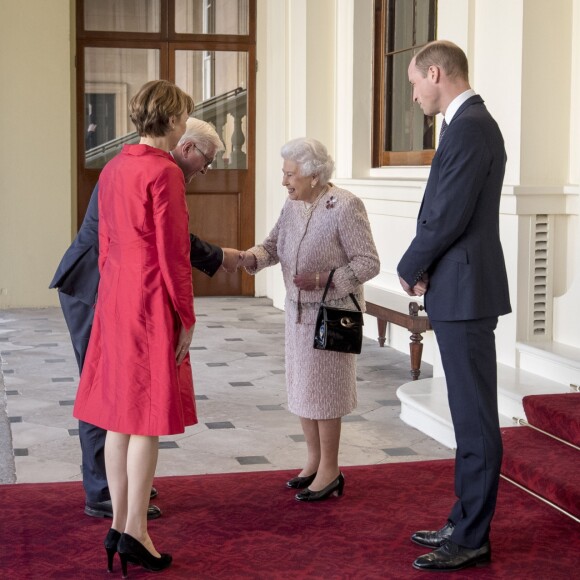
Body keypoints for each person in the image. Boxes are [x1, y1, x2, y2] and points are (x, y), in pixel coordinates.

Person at [50, 117, 235, 521]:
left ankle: (125, 487)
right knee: (103, 390)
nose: (206, 172)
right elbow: (169, 244)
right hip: (93, 285)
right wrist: (218, 261)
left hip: (119, 287)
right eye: (207, 161)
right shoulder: (152, 169)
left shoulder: (135, 165)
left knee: (120, 393)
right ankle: (102, 492)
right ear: (186, 147)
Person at [72, 79, 197, 575]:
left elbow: (103, 245)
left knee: (119, 414)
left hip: (116, 294)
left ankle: (120, 526)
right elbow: (174, 254)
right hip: (148, 297)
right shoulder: (164, 173)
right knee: (145, 416)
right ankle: (136, 531)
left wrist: (108, 301)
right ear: (169, 121)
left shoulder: (113, 168)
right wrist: (185, 315)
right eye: (184, 116)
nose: (186, 123)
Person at [397, 41, 511, 572]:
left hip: (465, 292)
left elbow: (446, 216)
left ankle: (472, 535)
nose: (414, 92)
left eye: (416, 81)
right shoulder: (465, 125)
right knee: (466, 417)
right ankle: (465, 517)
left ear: (436, 73)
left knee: (474, 419)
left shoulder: (470, 126)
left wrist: (408, 264)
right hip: (457, 286)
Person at [240, 137, 380, 502]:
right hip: (299, 315)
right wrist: (248, 258)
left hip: (336, 315)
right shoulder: (293, 206)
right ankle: (314, 461)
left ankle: (331, 470)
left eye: (290, 174)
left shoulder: (345, 206)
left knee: (327, 393)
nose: (284, 181)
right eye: (283, 174)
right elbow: (272, 246)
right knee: (303, 389)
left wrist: (323, 280)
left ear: (314, 175)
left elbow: (368, 263)